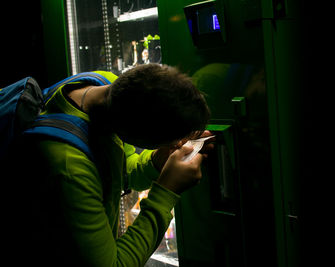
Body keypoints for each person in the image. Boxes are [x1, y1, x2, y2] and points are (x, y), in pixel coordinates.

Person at [4, 64, 213, 266]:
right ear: (134, 138)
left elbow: (120, 173)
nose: (175, 145)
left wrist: (156, 161)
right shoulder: (69, 169)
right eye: (170, 142)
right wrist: (167, 191)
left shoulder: (108, 86)